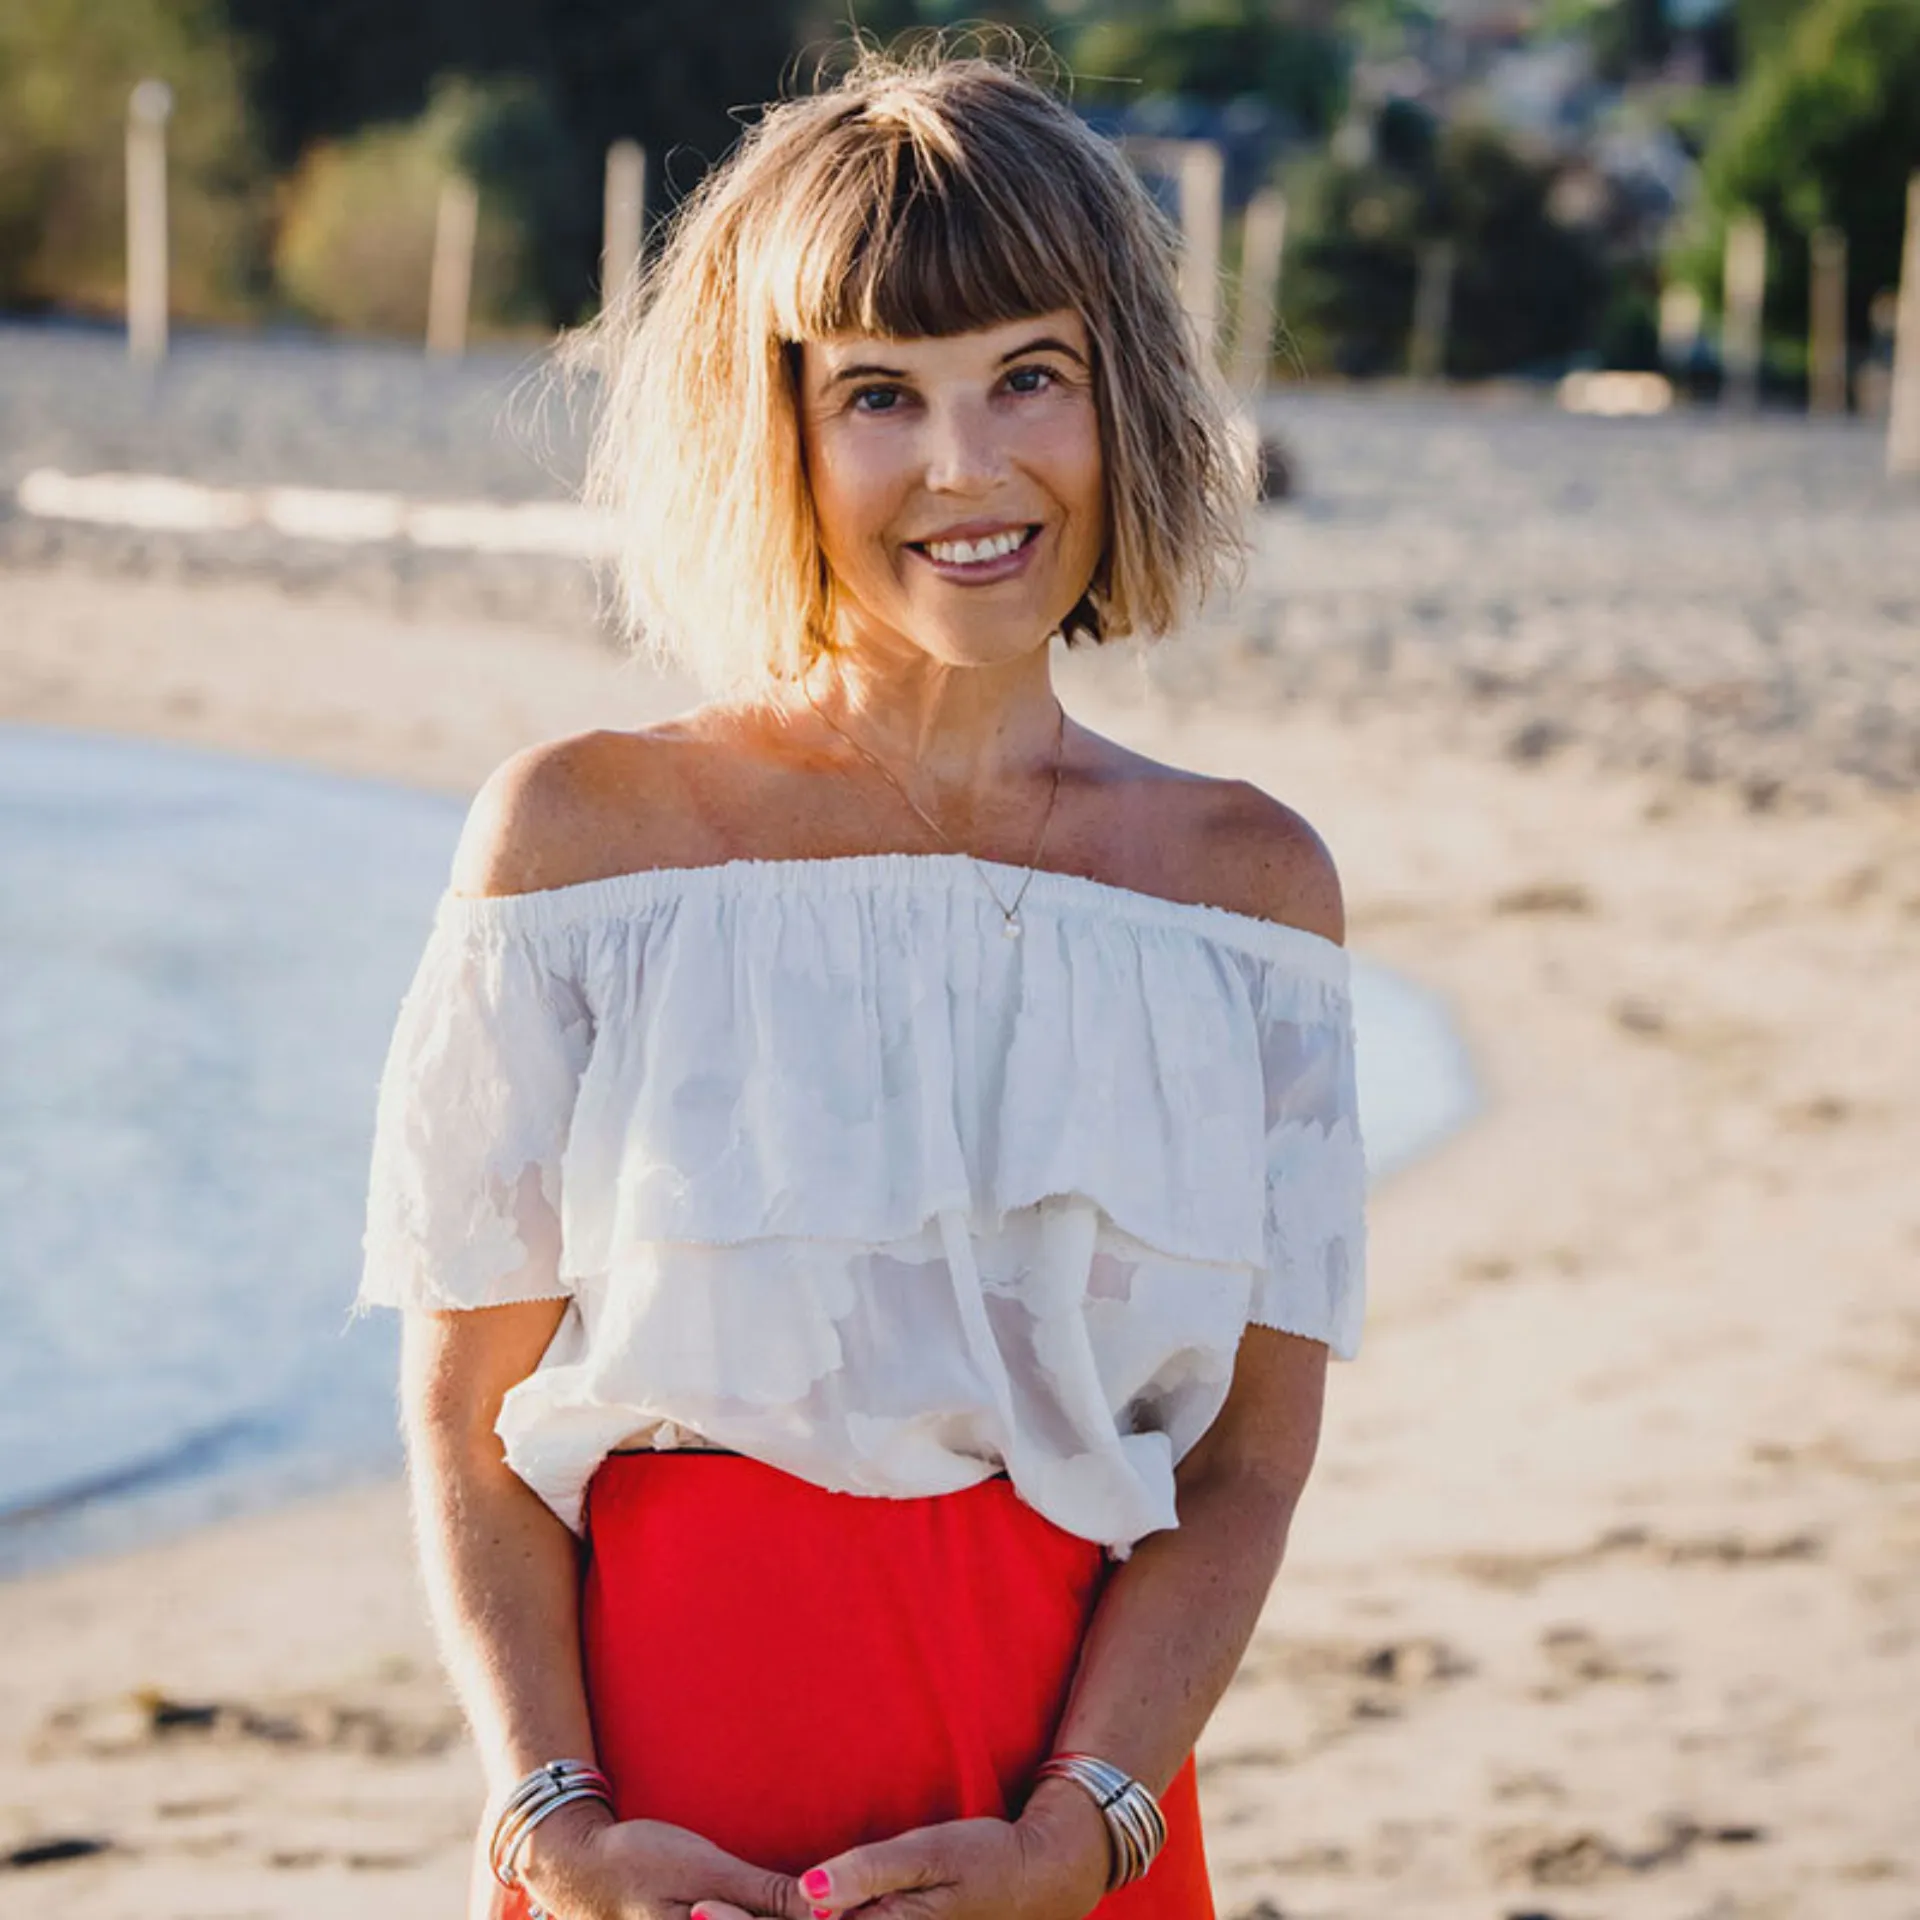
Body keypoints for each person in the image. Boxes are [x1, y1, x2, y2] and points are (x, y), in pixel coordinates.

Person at [356, 45, 1367, 1920]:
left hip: (1068, 1817)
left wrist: (1083, 1833)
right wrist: (547, 1818)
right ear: (782, 429)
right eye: (882, 395)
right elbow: (461, 1419)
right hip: (653, 1830)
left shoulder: (1250, 898)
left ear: (1122, 401)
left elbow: (1242, 1471)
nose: (966, 468)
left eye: (1030, 379)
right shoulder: (586, 848)